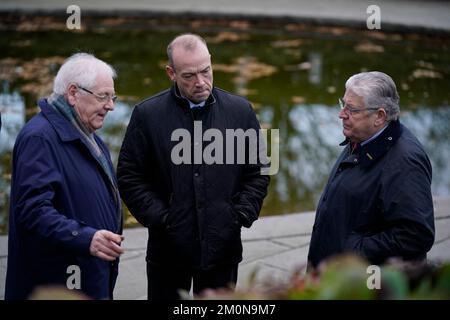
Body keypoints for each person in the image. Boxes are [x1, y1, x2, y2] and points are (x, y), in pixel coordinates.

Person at [117, 33, 269, 300]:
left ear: (211, 63)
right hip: (167, 251)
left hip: (223, 249)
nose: (200, 82)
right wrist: (163, 219)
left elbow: (260, 170)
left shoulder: (241, 111)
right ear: (171, 73)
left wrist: (240, 215)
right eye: (189, 75)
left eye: (205, 71)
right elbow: (130, 176)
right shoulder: (146, 115)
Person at [5, 53, 124, 300]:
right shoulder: (40, 139)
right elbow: (32, 210)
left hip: (88, 278)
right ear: (72, 93)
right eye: (103, 96)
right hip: (57, 285)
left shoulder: (90, 136)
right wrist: (85, 238)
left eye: (112, 97)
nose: (111, 105)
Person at [308, 71, 435, 269]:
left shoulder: (405, 162)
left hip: (366, 282)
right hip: (338, 274)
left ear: (380, 116)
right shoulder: (361, 139)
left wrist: (351, 249)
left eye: (352, 109)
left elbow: (415, 235)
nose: (342, 114)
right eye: (343, 104)